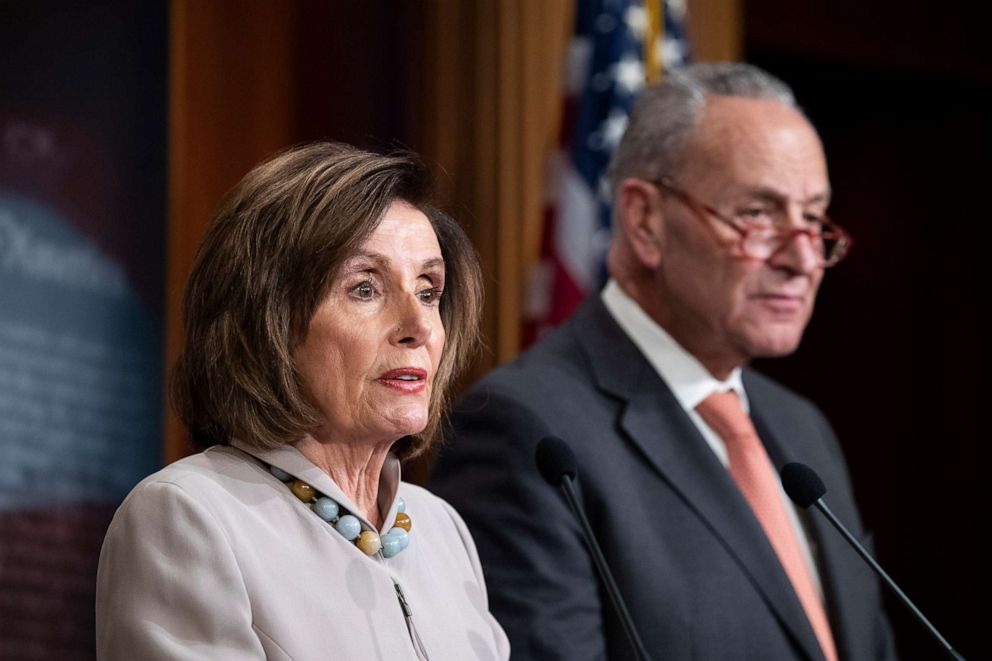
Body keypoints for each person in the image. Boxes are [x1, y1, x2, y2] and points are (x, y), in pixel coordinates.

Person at [430, 63, 896, 660]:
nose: (804, 257)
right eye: (758, 213)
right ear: (645, 220)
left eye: (812, 217)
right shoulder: (526, 430)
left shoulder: (803, 428)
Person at [96, 142, 510, 660]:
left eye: (428, 290)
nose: (419, 326)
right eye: (365, 289)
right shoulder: (191, 517)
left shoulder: (442, 531)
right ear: (266, 320)